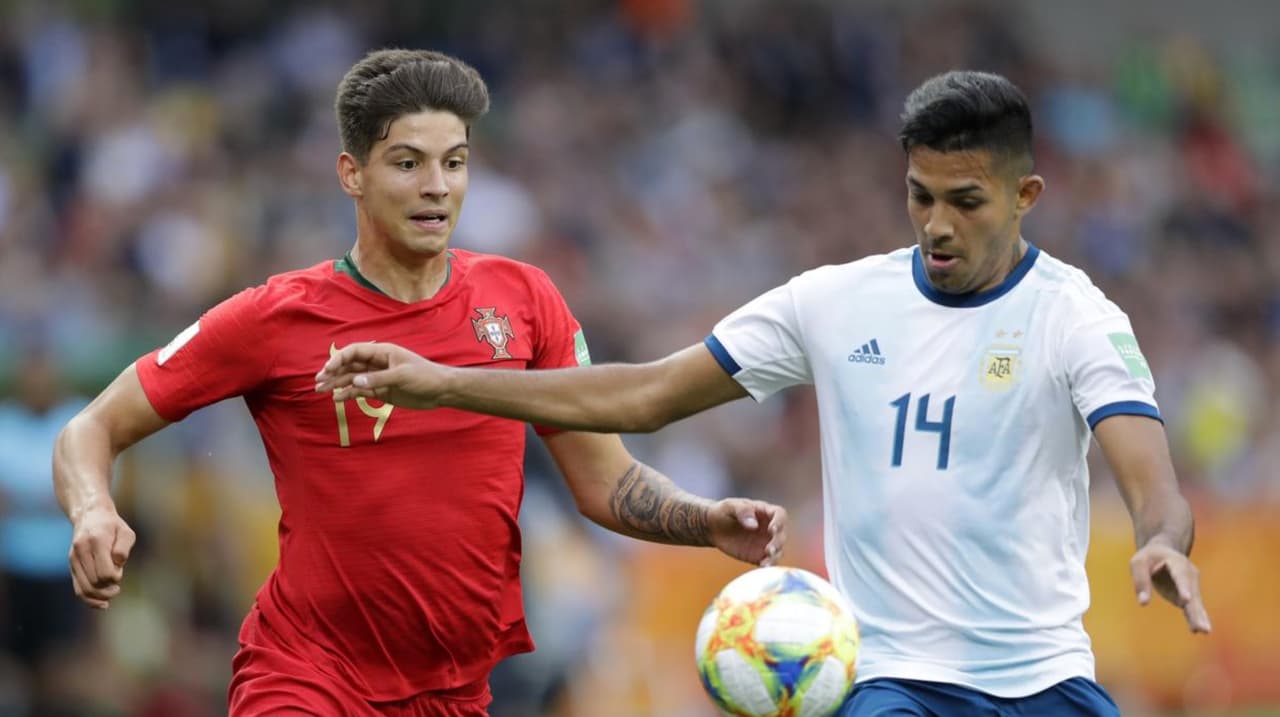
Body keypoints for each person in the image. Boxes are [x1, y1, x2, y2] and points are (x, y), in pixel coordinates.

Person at [317, 70, 1212, 716]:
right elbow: (647, 395)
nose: (937, 224)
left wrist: (1162, 543)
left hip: (1045, 676)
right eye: (920, 196)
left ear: (1026, 195)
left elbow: (1153, 481)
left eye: (967, 202)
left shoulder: (1075, 316)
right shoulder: (833, 301)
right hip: (891, 679)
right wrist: (446, 382)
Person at [53, 48, 787, 717]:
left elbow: (607, 483)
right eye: (408, 163)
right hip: (307, 677)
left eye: (454, 163)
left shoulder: (524, 301)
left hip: (454, 693)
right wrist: (92, 510)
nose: (437, 187)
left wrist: (707, 520)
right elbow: (91, 427)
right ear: (352, 173)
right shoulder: (276, 317)